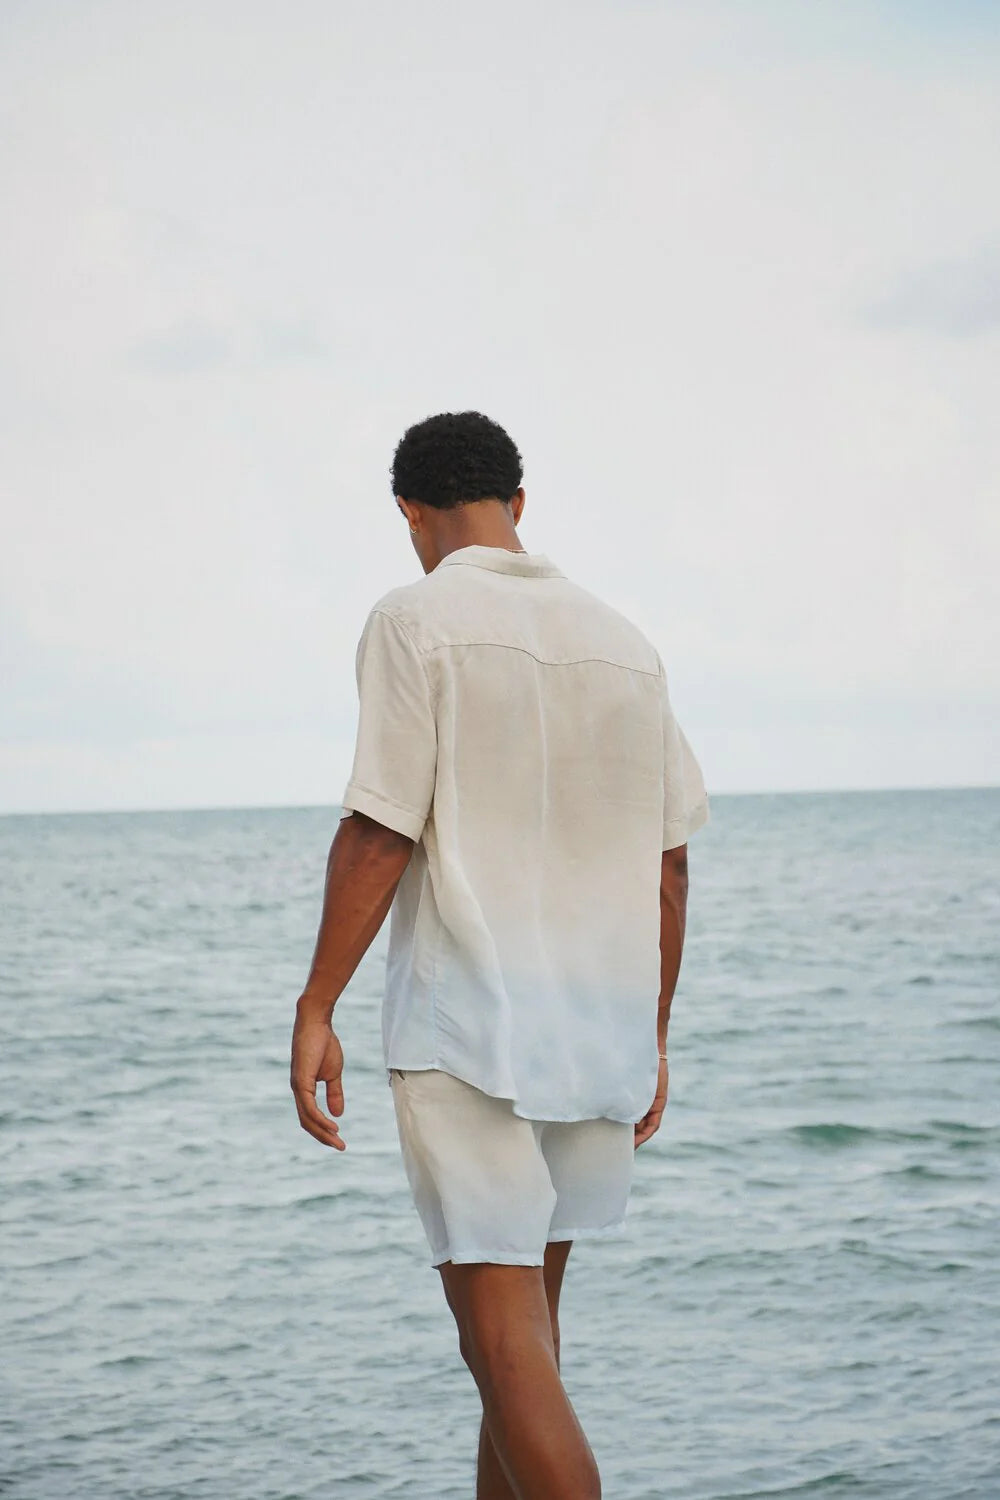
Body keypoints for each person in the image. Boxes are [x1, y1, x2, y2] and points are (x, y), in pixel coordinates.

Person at [290, 410, 709, 1499]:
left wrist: (316, 1006)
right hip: (596, 1030)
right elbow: (668, 865)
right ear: (518, 503)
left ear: (409, 513)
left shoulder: (414, 618)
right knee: (528, 1345)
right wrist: (655, 1035)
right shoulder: (626, 642)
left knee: (503, 1345)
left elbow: (379, 830)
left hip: (469, 1027)